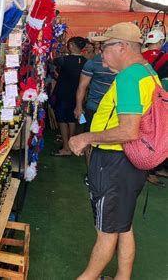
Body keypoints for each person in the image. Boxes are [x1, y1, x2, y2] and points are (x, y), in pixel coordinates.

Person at [68, 22, 161, 280]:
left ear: (122, 47)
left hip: (114, 162)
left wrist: (85, 137)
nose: (100, 54)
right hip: (130, 163)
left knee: (107, 232)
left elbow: (128, 130)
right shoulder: (147, 72)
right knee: (123, 226)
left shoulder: (130, 77)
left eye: (104, 47)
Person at [74, 51, 117, 183]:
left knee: (112, 143)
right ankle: (92, 174)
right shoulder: (92, 62)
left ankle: (105, 174)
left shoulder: (125, 63)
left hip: (116, 111)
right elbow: (82, 86)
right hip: (95, 109)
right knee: (90, 142)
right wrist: (79, 107)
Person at [51, 36, 87, 156]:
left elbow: (51, 61)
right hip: (77, 96)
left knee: (62, 120)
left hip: (63, 94)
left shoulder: (64, 60)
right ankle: (72, 145)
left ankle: (66, 148)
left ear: (71, 45)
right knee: (72, 120)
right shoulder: (86, 61)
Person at [141, 29, 168, 186]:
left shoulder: (139, 58)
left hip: (142, 101)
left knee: (142, 133)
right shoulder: (166, 58)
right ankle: (152, 169)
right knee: (157, 134)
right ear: (161, 42)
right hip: (159, 103)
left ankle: (144, 166)